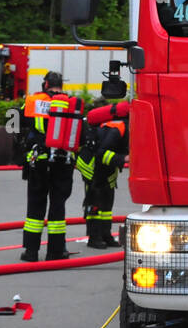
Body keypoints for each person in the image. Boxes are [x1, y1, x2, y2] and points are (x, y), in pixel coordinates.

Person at [20, 72, 82, 262]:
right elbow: (82, 136)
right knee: (58, 206)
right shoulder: (71, 104)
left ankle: (31, 252)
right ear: (61, 85)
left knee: (35, 206)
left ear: (45, 84)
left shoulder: (32, 101)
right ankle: (55, 252)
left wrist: (22, 142)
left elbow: (11, 121)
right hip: (63, 162)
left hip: (38, 161)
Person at [77, 100, 129, 249]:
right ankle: (94, 237)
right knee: (94, 200)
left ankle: (106, 235)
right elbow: (101, 154)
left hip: (106, 168)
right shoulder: (118, 128)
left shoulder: (122, 126)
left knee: (107, 201)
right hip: (92, 166)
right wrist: (123, 159)